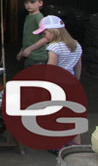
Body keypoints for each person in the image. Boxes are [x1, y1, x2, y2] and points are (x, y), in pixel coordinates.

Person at [32, 15, 83, 146]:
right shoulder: (76, 45)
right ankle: (77, 144)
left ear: (53, 31)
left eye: (45, 33)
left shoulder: (54, 48)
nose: (44, 36)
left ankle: (57, 143)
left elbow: (51, 69)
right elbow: (78, 65)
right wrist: (76, 80)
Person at [15, 0, 47, 67]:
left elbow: (46, 37)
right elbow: (29, 37)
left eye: (32, 2)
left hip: (38, 57)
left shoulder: (39, 17)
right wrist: (22, 50)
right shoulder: (28, 17)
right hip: (30, 56)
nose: (29, 5)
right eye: (26, 2)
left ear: (40, 3)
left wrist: (29, 49)